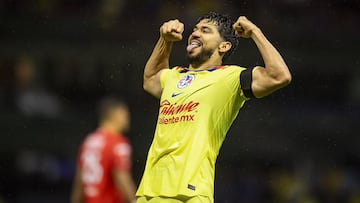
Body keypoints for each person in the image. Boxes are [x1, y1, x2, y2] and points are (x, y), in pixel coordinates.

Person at [136, 12, 292, 203]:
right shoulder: (174, 75)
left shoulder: (230, 78)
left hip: (188, 193)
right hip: (148, 191)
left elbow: (279, 76)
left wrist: (255, 32)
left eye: (205, 30)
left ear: (224, 46)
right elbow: (151, 79)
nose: (195, 34)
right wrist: (164, 40)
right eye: (194, 30)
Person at [71, 97, 136, 203]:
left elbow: (80, 178)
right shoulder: (118, 143)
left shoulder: (89, 141)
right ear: (114, 115)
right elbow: (122, 177)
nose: (127, 119)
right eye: (125, 114)